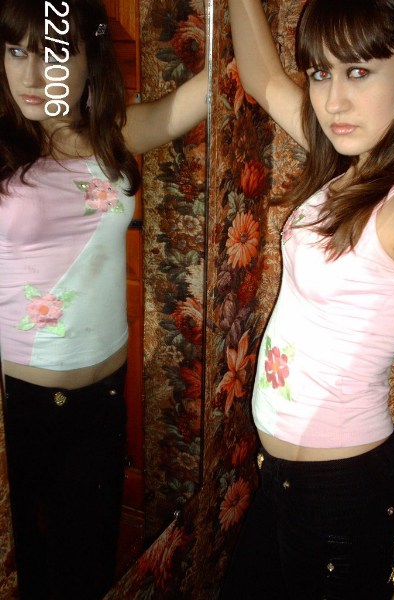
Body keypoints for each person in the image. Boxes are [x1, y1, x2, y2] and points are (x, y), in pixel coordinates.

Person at [223, 0, 394, 598]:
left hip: (345, 497)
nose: (333, 102)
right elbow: (263, 78)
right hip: (281, 481)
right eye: (320, 73)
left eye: (358, 71)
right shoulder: (350, 161)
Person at [0, 0, 207, 598]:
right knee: (27, 575)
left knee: (86, 569)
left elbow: (210, 90)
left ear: (90, 58)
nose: (33, 75)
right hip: (18, 406)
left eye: (55, 53)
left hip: (103, 400)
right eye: (16, 51)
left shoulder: (113, 136)